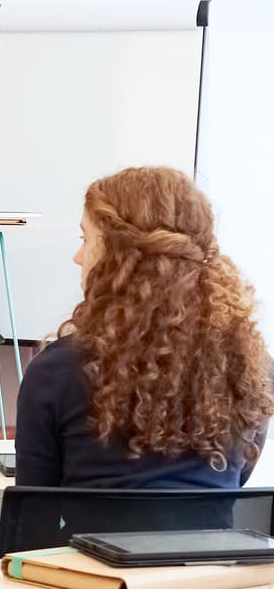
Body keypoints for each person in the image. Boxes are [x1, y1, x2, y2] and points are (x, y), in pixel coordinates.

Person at [15, 166, 273, 488]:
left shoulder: (56, 370)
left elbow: (33, 512)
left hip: (82, 541)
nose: (78, 257)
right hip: (217, 540)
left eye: (86, 239)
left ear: (118, 255)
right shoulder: (248, 367)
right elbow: (237, 479)